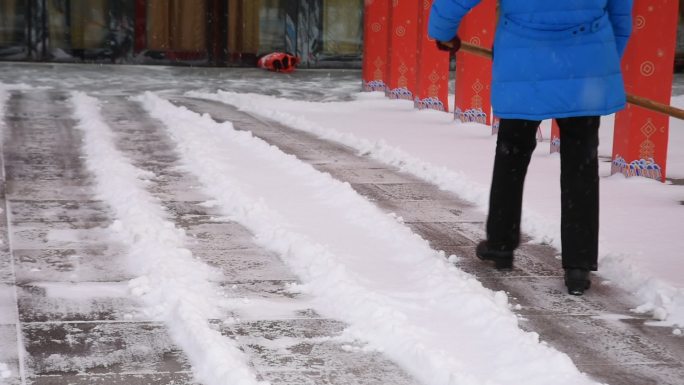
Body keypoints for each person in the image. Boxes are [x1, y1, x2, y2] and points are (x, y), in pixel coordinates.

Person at [428, 0, 633, 295]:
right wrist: (605, 61)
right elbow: (620, 16)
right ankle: (578, 264)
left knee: (511, 154)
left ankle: (500, 243)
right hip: (586, 67)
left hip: (523, 64)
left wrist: (443, 32)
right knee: (581, 164)